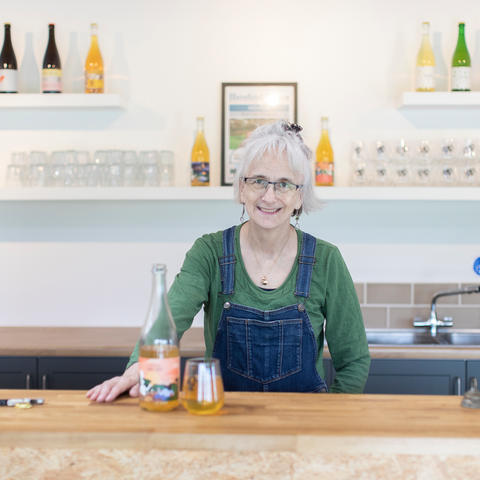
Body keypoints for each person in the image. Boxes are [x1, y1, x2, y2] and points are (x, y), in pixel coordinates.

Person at [87, 120, 370, 403]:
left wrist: (332, 417)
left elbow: (353, 360)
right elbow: (169, 323)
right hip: (224, 420)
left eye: (283, 184)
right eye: (258, 181)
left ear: (299, 196)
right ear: (241, 189)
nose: (269, 196)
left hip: (305, 424)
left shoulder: (327, 260)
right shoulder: (209, 253)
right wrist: (138, 369)